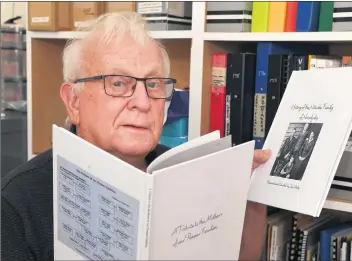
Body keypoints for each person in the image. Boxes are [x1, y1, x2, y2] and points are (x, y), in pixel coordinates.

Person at [1, 12, 271, 261]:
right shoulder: (16, 203)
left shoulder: (188, 172)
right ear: (73, 101)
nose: (143, 102)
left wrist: (249, 193)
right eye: (118, 83)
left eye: (153, 84)